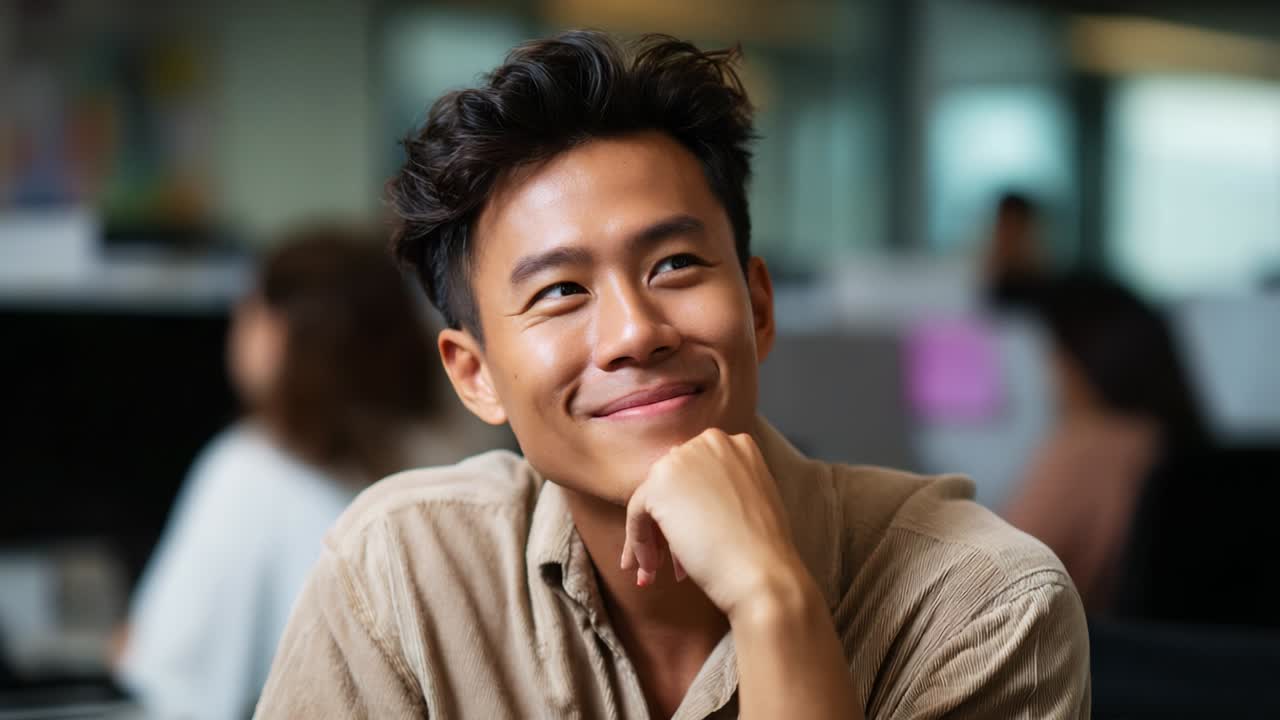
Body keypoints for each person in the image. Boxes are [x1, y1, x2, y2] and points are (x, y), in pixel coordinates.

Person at [256, 32, 1090, 719]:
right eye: (560, 292)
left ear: (758, 308)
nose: (634, 333)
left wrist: (772, 602)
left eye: (675, 264)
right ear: (475, 376)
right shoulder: (404, 573)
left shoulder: (984, 605)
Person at [115, 225, 477, 719]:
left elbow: (171, 684)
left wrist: (125, 651)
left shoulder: (249, 472)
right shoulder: (454, 458)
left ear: (277, 331)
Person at [1003, 274, 1209, 613]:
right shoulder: (1180, 439)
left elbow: (997, 578)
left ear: (1078, 362)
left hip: (1098, 657)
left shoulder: (1090, 447)